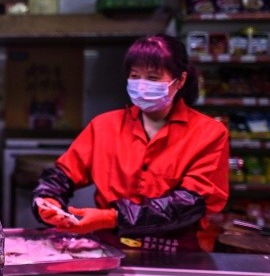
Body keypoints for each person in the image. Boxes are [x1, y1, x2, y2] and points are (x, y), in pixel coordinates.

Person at [32, 33, 229, 253]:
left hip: (176, 252)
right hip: (109, 247)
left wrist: (112, 217)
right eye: (135, 76)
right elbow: (62, 175)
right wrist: (47, 200)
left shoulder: (210, 133)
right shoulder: (104, 125)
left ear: (180, 80)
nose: (142, 86)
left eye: (153, 78)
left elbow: (189, 205)